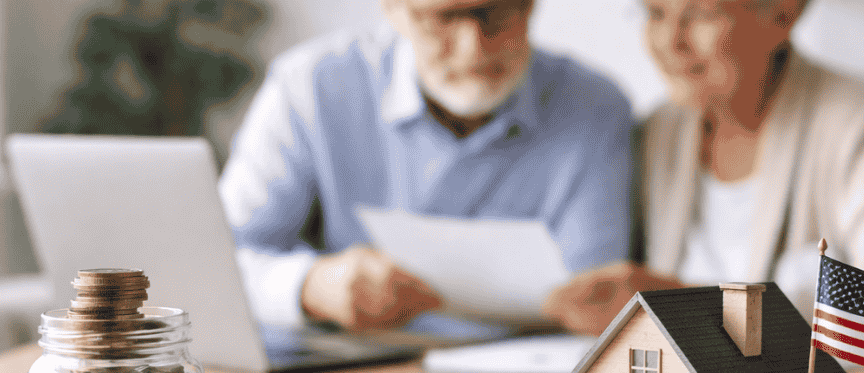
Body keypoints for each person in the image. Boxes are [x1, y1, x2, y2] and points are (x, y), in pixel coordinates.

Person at [545, 0, 864, 347]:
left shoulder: (860, 120)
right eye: (655, 13)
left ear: (782, 14)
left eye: (699, 13)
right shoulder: (659, 131)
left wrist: (694, 305)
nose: (669, 41)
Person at [220, 0, 634, 333]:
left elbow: (593, 295)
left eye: (496, 12)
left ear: (530, 7)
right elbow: (220, 262)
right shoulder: (310, 86)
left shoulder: (593, 108)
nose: (474, 47)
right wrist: (311, 286)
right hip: (348, 368)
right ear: (393, 10)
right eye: (443, 17)